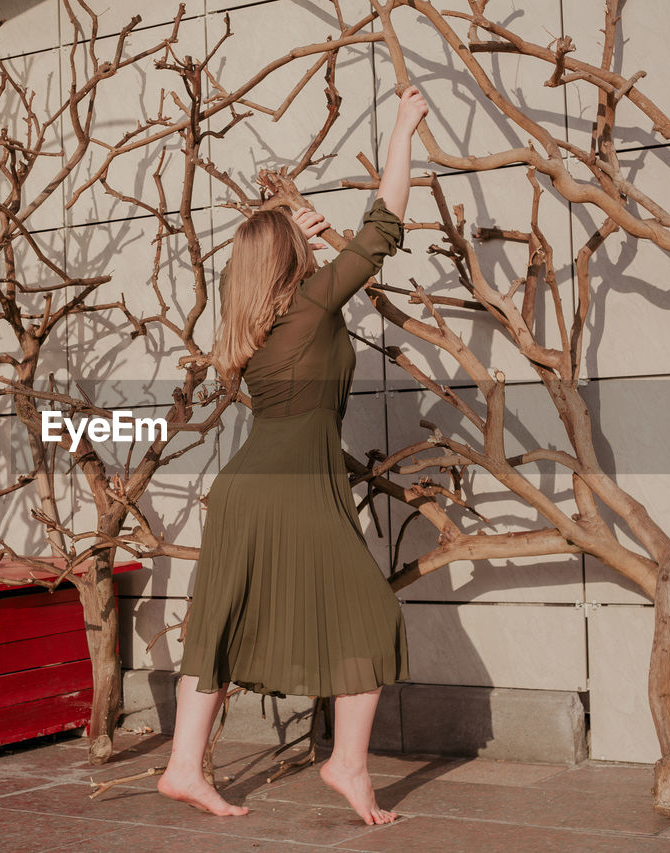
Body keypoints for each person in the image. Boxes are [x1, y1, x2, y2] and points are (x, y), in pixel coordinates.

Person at [156, 85, 431, 826]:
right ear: (293, 259)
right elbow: (384, 225)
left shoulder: (249, 330)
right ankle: (345, 761)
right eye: (302, 247)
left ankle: (184, 764)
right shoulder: (311, 306)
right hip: (289, 491)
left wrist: (300, 226)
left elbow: (318, 264)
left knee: (218, 621)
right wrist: (404, 126)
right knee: (371, 620)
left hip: (246, 488)